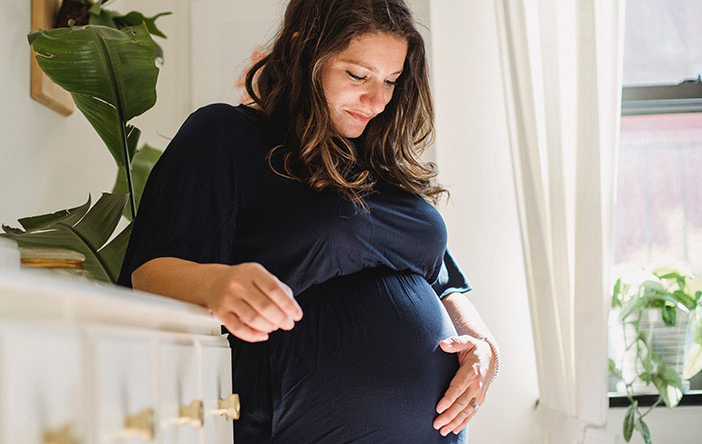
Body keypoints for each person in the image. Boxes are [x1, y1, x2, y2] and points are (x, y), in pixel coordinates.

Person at [117, 0, 498, 441]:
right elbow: (148, 273)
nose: (376, 100)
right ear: (304, 54)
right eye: (357, 75)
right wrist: (219, 284)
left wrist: (485, 352)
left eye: (391, 80)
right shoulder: (226, 137)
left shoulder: (382, 164)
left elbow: (444, 282)